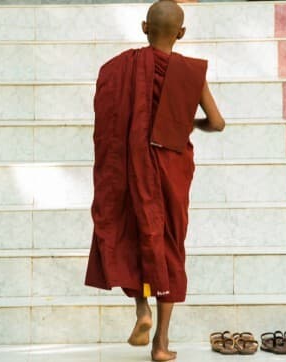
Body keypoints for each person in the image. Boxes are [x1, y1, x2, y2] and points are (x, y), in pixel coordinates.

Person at [84, 0, 225, 360]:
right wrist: (186, 123)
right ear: (181, 33)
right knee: (168, 244)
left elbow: (109, 122)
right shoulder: (189, 73)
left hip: (129, 167)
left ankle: (141, 310)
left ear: (144, 28)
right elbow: (217, 122)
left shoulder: (117, 69)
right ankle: (161, 345)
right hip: (170, 169)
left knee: (131, 232)